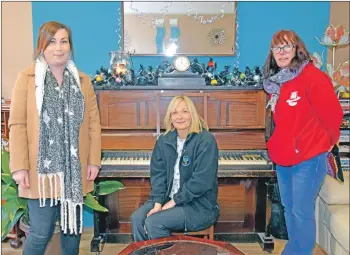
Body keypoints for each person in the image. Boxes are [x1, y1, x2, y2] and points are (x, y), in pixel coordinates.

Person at [9, 21, 101, 255]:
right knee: (40, 232)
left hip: (75, 170)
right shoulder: (26, 78)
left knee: (72, 231)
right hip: (40, 172)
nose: (58, 47)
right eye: (52, 41)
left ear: (70, 46)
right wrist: (19, 167)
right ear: (41, 46)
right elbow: (17, 125)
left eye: (63, 41)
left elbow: (93, 123)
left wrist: (93, 160)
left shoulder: (83, 81)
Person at [263, 30, 343, 255]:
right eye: (276, 48)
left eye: (286, 47)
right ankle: (294, 249)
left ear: (297, 49)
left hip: (308, 157)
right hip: (284, 157)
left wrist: (327, 143)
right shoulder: (278, 82)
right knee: (289, 209)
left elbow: (333, 114)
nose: (281, 52)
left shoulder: (312, 76)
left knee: (301, 210)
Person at [131, 96, 220, 241]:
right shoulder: (163, 141)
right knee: (137, 219)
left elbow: (201, 181)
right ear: (170, 117)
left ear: (192, 114)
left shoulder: (206, 140)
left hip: (198, 206)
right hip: (167, 199)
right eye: (175, 113)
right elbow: (158, 177)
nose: (179, 116)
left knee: (154, 222)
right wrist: (159, 203)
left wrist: (172, 203)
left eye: (184, 111)